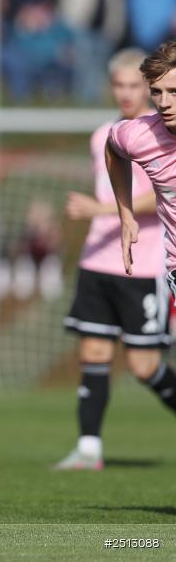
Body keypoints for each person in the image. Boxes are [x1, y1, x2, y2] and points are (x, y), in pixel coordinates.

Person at [55, 48, 170, 471]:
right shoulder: (107, 133)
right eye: (118, 85)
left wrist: (101, 211)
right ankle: (89, 448)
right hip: (97, 259)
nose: (126, 93)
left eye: (135, 85)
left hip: (146, 264)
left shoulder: (162, 133)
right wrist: (109, 214)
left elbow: (160, 193)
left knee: (143, 365)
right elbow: (114, 181)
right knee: (94, 352)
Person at [106, 41, 176, 466]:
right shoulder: (138, 133)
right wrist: (126, 213)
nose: (165, 103)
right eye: (159, 92)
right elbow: (113, 151)